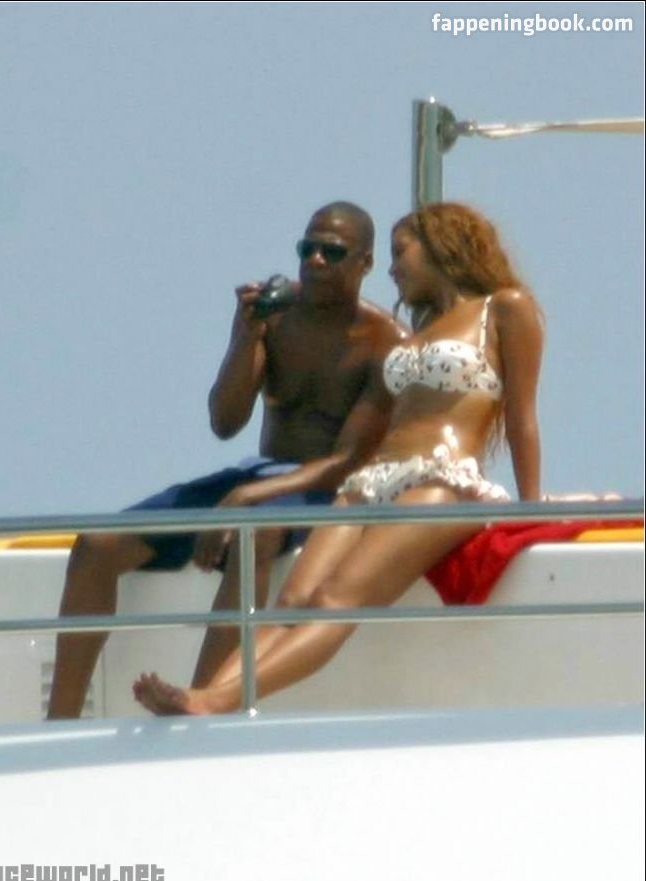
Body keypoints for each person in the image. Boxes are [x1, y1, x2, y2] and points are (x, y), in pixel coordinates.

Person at [132, 201, 545, 715]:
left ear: (441, 246)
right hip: (371, 482)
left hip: (443, 479)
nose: (391, 269)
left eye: (400, 253)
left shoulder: (504, 308)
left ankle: (215, 699)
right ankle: (208, 694)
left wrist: (533, 508)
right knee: (289, 605)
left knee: (336, 601)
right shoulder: (420, 326)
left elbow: (522, 416)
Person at [46, 201, 405, 719]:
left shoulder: (385, 342)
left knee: (251, 533)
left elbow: (346, 462)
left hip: (324, 490)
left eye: (332, 252)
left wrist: (246, 498)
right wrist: (247, 335)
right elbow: (225, 420)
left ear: (365, 263)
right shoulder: (276, 318)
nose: (315, 261)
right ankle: (59, 720)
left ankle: (198, 702)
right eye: (307, 249)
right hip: (259, 476)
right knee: (97, 545)